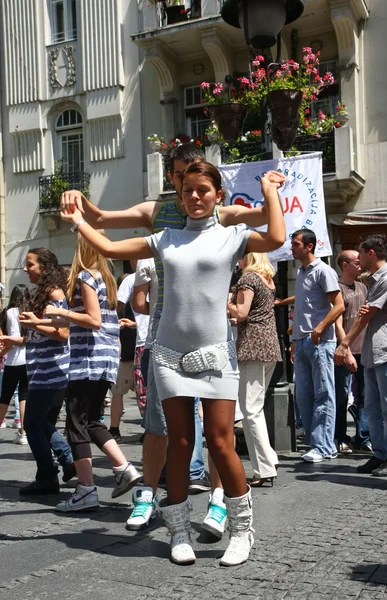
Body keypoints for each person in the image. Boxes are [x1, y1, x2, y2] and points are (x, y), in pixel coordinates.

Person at [60, 162, 286, 566]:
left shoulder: (233, 236)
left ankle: (242, 529)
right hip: (167, 355)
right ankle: (179, 530)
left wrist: (269, 189)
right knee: (179, 445)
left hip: (217, 353)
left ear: (218, 194)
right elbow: (110, 248)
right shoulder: (166, 238)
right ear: (180, 197)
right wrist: (78, 220)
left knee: (220, 442)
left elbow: (275, 236)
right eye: (188, 192)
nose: (195, 197)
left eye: (203, 190)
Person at [39, 235, 141, 511]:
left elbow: (93, 320)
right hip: (105, 360)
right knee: (91, 422)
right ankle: (124, 467)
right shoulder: (107, 279)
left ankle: (87, 489)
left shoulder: (86, 276)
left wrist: (65, 315)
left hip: (87, 361)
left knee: (75, 425)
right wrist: (50, 318)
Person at [0, 248, 75, 494]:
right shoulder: (42, 294)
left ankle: (48, 476)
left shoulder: (54, 293)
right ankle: (66, 460)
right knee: (40, 422)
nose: (25, 269)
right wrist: (15, 340)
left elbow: (63, 334)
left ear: (44, 267)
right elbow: (37, 337)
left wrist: (34, 324)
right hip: (41, 373)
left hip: (50, 373)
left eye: (29, 264)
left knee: (32, 424)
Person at [290, 229, 345, 463]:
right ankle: (320, 443)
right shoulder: (302, 272)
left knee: (324, 393)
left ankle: (323, 446)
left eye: (295, 244)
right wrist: (295, 342)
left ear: (309, 246)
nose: (291, 248)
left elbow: (339, 305)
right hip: (303, 342)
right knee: (303, 396)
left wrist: (320, 329)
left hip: (321, 341)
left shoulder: (324, 271)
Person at [335, 234, 387, 476]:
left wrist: (344, 342)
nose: (359, 257)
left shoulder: (384, 278)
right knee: (372, 407)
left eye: (361, 253)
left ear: (371, 253)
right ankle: (379, 454)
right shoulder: (373, 281)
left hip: (384, 351)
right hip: (372, 352)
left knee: (384, 408)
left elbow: (367, 314)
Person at [228, 252, 281, 486]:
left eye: (240, 256)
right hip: (269, 345)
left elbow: (241, 313)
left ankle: (264, 469)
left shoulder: (248, 278)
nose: (237, 260)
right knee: (255, 407)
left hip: (252, 346)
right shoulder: (267, 279)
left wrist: (226, 302)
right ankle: (269, 458)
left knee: (250, 410)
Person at [335, 250, 370, 454]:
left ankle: (363, 437)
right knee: (340, 394)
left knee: (365, 395)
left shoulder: (362, 287)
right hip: (343, 351)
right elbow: (338, 323)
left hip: (364, 349)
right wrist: (345, 349)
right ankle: (340, 436)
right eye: (357, 262)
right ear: (345, 265)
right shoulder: (336, 289)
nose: (360, 264)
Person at [0, 285, 30, 444]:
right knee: (24, 396)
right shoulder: (28, 312)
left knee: (5, 397)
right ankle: (23, 432)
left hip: (13, 361)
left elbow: (13, 339)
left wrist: (2, 353)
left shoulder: (10, 312)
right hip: (28, 360)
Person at [109, 273, 137, 443]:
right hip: (136, 352)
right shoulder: (145, 300)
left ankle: (114, 429)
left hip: (125, 354)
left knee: (118, 393)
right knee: (145, 394)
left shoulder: (119, 306)